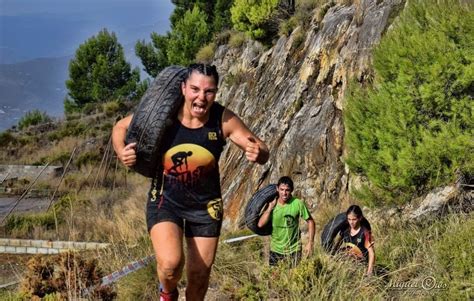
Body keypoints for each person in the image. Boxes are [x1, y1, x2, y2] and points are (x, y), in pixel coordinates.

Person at [112, 64, 269, 301]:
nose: (201, 97)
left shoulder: (222, 119)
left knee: (199, 277)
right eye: (195, 89)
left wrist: (259, 153)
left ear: (215, 93)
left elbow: (260, 147)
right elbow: (120, 127)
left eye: (209, 92)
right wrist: (122, 151)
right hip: (166, 201)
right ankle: (167, 294)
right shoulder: (163, 115)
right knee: (170, 265)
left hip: (206, 207)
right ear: (183, 88)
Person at [257, 176, 315, 267]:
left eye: (287, 190)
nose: (284, 193)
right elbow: (260, 224)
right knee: (274, 278)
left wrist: (310, 242)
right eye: (282, 189)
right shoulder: (272, 204)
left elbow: (310, 222)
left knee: (293, 279)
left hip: (294, 249)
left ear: (291, 190)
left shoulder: (298, 203)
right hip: (276, 249)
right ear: (277, 189)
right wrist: (270, 208)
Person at [339, 205, 375, 276]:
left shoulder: (364, 233)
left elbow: (371, 253)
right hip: (347, 265)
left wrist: (369, 272)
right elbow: (336, 247)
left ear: (360, 218)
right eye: (349, 219)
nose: (351, 222)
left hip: (361, 267)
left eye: (354, 219)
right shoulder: (345, 231)